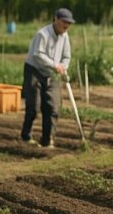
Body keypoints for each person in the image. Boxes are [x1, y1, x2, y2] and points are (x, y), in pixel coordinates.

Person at [21, 8, 74, 148]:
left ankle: (47, 140)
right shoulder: (42, 34)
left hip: (52, 73)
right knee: (34, 107)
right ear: (55, 19)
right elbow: (38, 54)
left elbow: (66, 56)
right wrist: (54, 65)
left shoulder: (65, 36)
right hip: (34, 70)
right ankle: (26, 136)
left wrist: (63, 66)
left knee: (53, 108)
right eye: (64, 22)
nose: (66, 25)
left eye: (69, 23)